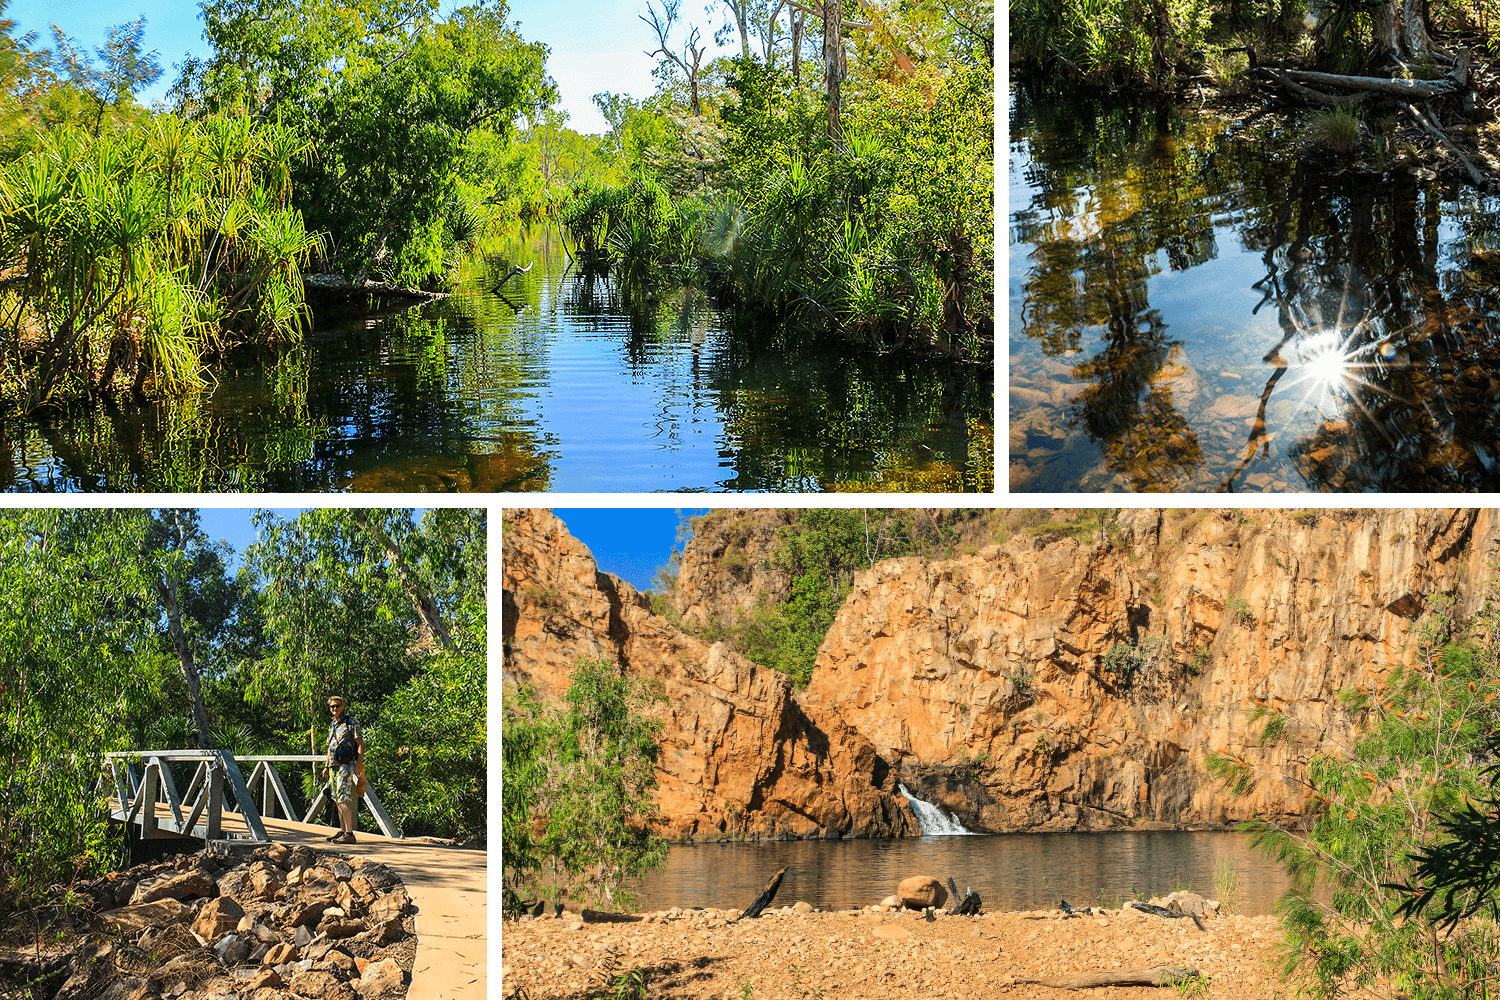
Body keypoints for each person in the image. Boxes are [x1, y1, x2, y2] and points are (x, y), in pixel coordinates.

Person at [321, 696, 365, 843]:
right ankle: (342, 830)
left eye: (337, 706)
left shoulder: (350, 722)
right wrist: (326, 766)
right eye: (332, 706)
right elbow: (330, 747)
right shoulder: (333, 724)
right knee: (336, 798)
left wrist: (359, 763)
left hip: (345, 765)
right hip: (333, 765)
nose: (335, 709)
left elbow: (360, 743)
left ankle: (349, 834)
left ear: (343, 706)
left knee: (343, 798)